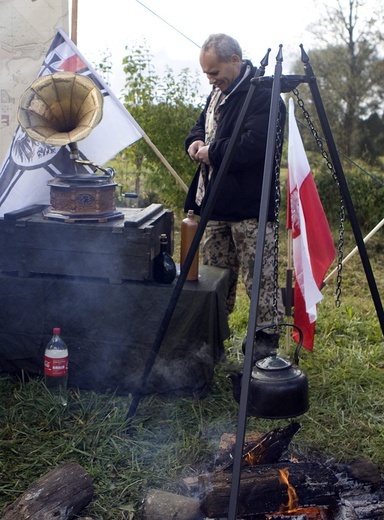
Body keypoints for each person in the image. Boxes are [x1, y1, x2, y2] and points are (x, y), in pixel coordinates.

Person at [184, 33, 286, 360]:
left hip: (251, 207)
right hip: (215, 204)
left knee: (261, 281)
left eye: (214, 72)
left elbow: (253, 145)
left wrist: (211, 151)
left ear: (235, 61)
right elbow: (200, 127)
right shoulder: (217, 94)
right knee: (213, 278)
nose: (211, 80)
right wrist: (195, 143)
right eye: (207, 74)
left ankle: (263, 354)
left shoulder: (265, 96)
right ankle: (210, 346)